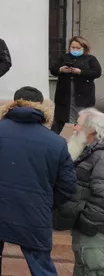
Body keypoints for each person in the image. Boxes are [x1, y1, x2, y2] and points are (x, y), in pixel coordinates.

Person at [0, 86, 77, 276]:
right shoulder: (56, 142)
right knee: (41, 268)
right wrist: (46, 201)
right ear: (41, 106)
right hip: (35, 213)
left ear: (14, 103)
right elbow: (68, 186)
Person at [55, 108, 104, 276]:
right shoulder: (89, 152)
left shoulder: (101, 156)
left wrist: (86, 220)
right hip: (86, 234)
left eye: (78, 124)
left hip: (94, 234)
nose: (74, 128)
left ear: (92, 129)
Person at [50, 36, 102, 134]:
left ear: (84, 48)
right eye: (73, 47)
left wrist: (80, 72)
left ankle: (81, 137)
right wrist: (61, 69)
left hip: (83, 94)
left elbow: (97, 72)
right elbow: (53, 69)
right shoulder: (64, 57)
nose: (75, 50)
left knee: (82, 118)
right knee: (66, 117)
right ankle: (66, 138)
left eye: (78, 48)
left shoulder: (90, 59)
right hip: (65, 93)